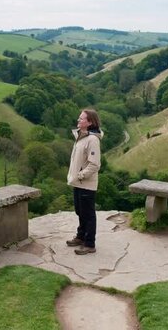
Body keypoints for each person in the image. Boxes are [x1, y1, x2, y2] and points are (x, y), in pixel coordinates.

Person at [66, 109, 103, 255]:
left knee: (88, 214)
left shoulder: (92, 140)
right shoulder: (81, 137)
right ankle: (81, 236)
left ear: (90, 122)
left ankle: (89, 244)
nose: (78, 120)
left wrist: (81, 175)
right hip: (78, 182)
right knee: (79, 211)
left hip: (86, 183)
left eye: (81, 119)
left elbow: (94, 164)